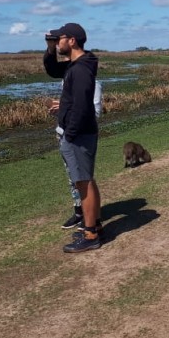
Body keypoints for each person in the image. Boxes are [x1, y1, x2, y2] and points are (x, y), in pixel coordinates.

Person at [43, 22, 103, 252]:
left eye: (59, 39)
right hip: (80, 133)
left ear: (72, 41)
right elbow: (52, 70)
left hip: (78, 135)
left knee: (83, 184)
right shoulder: (76, 65)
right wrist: (50, 48)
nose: (57, 42)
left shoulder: (80, 70)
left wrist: (69, 134)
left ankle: (90, 236)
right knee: (86, 180)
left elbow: (81, 107)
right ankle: (94, 225)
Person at [49, 79, 102, 231]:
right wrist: (59, 112)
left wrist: (67, 107)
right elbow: (68, 111)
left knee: (85, 179)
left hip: (80, 138)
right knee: (72, 178)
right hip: (64, 135)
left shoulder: (92, 83)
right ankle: (79, 212)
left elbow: (95, 112)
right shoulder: (65, 82)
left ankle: (93, 221)